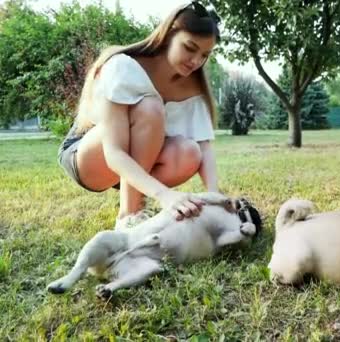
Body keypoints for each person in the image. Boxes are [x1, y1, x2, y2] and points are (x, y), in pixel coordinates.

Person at [57, 1, 221, 228]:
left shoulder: (193, 86)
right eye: (189, 48)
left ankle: (135, 201)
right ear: (168, 35)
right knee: (150, 107)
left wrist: (217, 200)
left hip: (134, 163)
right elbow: (113, 152)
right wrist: (164, 195)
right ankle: (129, 216)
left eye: (204, 54)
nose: (196, 61)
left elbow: (204, 148)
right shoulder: (123, 66)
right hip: (89, 157)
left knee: (190, 152)